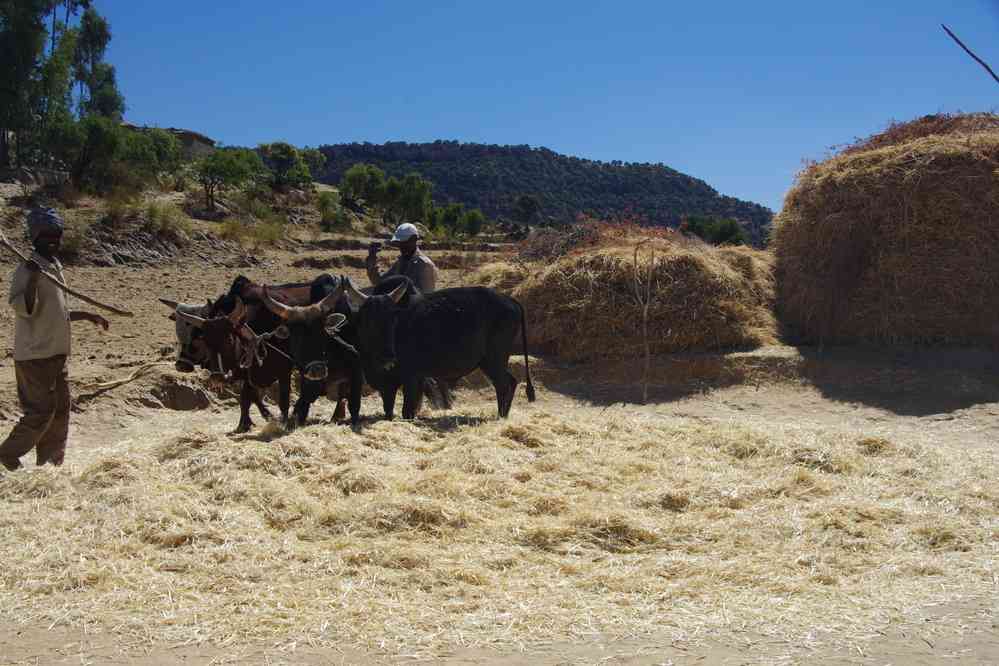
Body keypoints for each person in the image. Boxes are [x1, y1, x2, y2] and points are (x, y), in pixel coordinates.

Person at [0, 208, 109, 472]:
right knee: (40, 412)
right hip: (35, 357)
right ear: (34, 237)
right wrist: (34, 279)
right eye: (47, 235)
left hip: (57, 354)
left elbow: (56, 314)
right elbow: (23, 308)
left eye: (57, 235)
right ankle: (6, 455)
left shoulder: (54, 266)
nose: (53, 240)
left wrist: (88, 315)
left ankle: (49, 465)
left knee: (60, 411)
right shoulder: (26, 270)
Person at [366, 222, 438, 293]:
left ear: (414, 239)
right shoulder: (401, 262)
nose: (401, 246)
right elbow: (379, 282)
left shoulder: (425, 265)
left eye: (405, 242)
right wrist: (372, 259)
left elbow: (426, 297)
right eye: (400, 242)